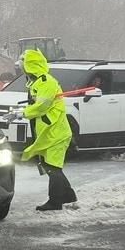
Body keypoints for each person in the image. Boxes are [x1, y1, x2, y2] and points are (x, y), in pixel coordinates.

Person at [18, 49, 77, 211]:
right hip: (49, 133)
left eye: (22, 62)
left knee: (53, 167)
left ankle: (55, 202)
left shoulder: (46, 82)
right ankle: (68, 195)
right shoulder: (37, 82)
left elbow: (42, 106)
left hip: (56, 134)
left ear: (30, 65)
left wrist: (23, 113)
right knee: (48, 165)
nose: (19, 66)